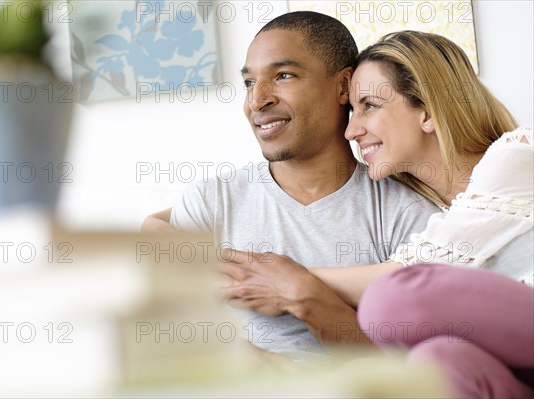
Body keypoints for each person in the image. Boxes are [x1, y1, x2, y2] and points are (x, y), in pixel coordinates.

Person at [221, 31, 533, 397]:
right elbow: (172, 215)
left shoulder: (516, 155)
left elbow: (406, 281)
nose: (352, 130)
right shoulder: (427, 209)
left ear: (428, 111)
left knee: (391, 302)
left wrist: (293, 282)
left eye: (369, 105)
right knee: (439, 361)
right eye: (353, 111)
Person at [142, 12, 440, 360]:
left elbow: (407, 373)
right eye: (250, 83)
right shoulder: (212, 200)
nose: (257, 101)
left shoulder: (407, 216)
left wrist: (306, 296)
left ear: (343, 86)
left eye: (283, 75)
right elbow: (170, 334)